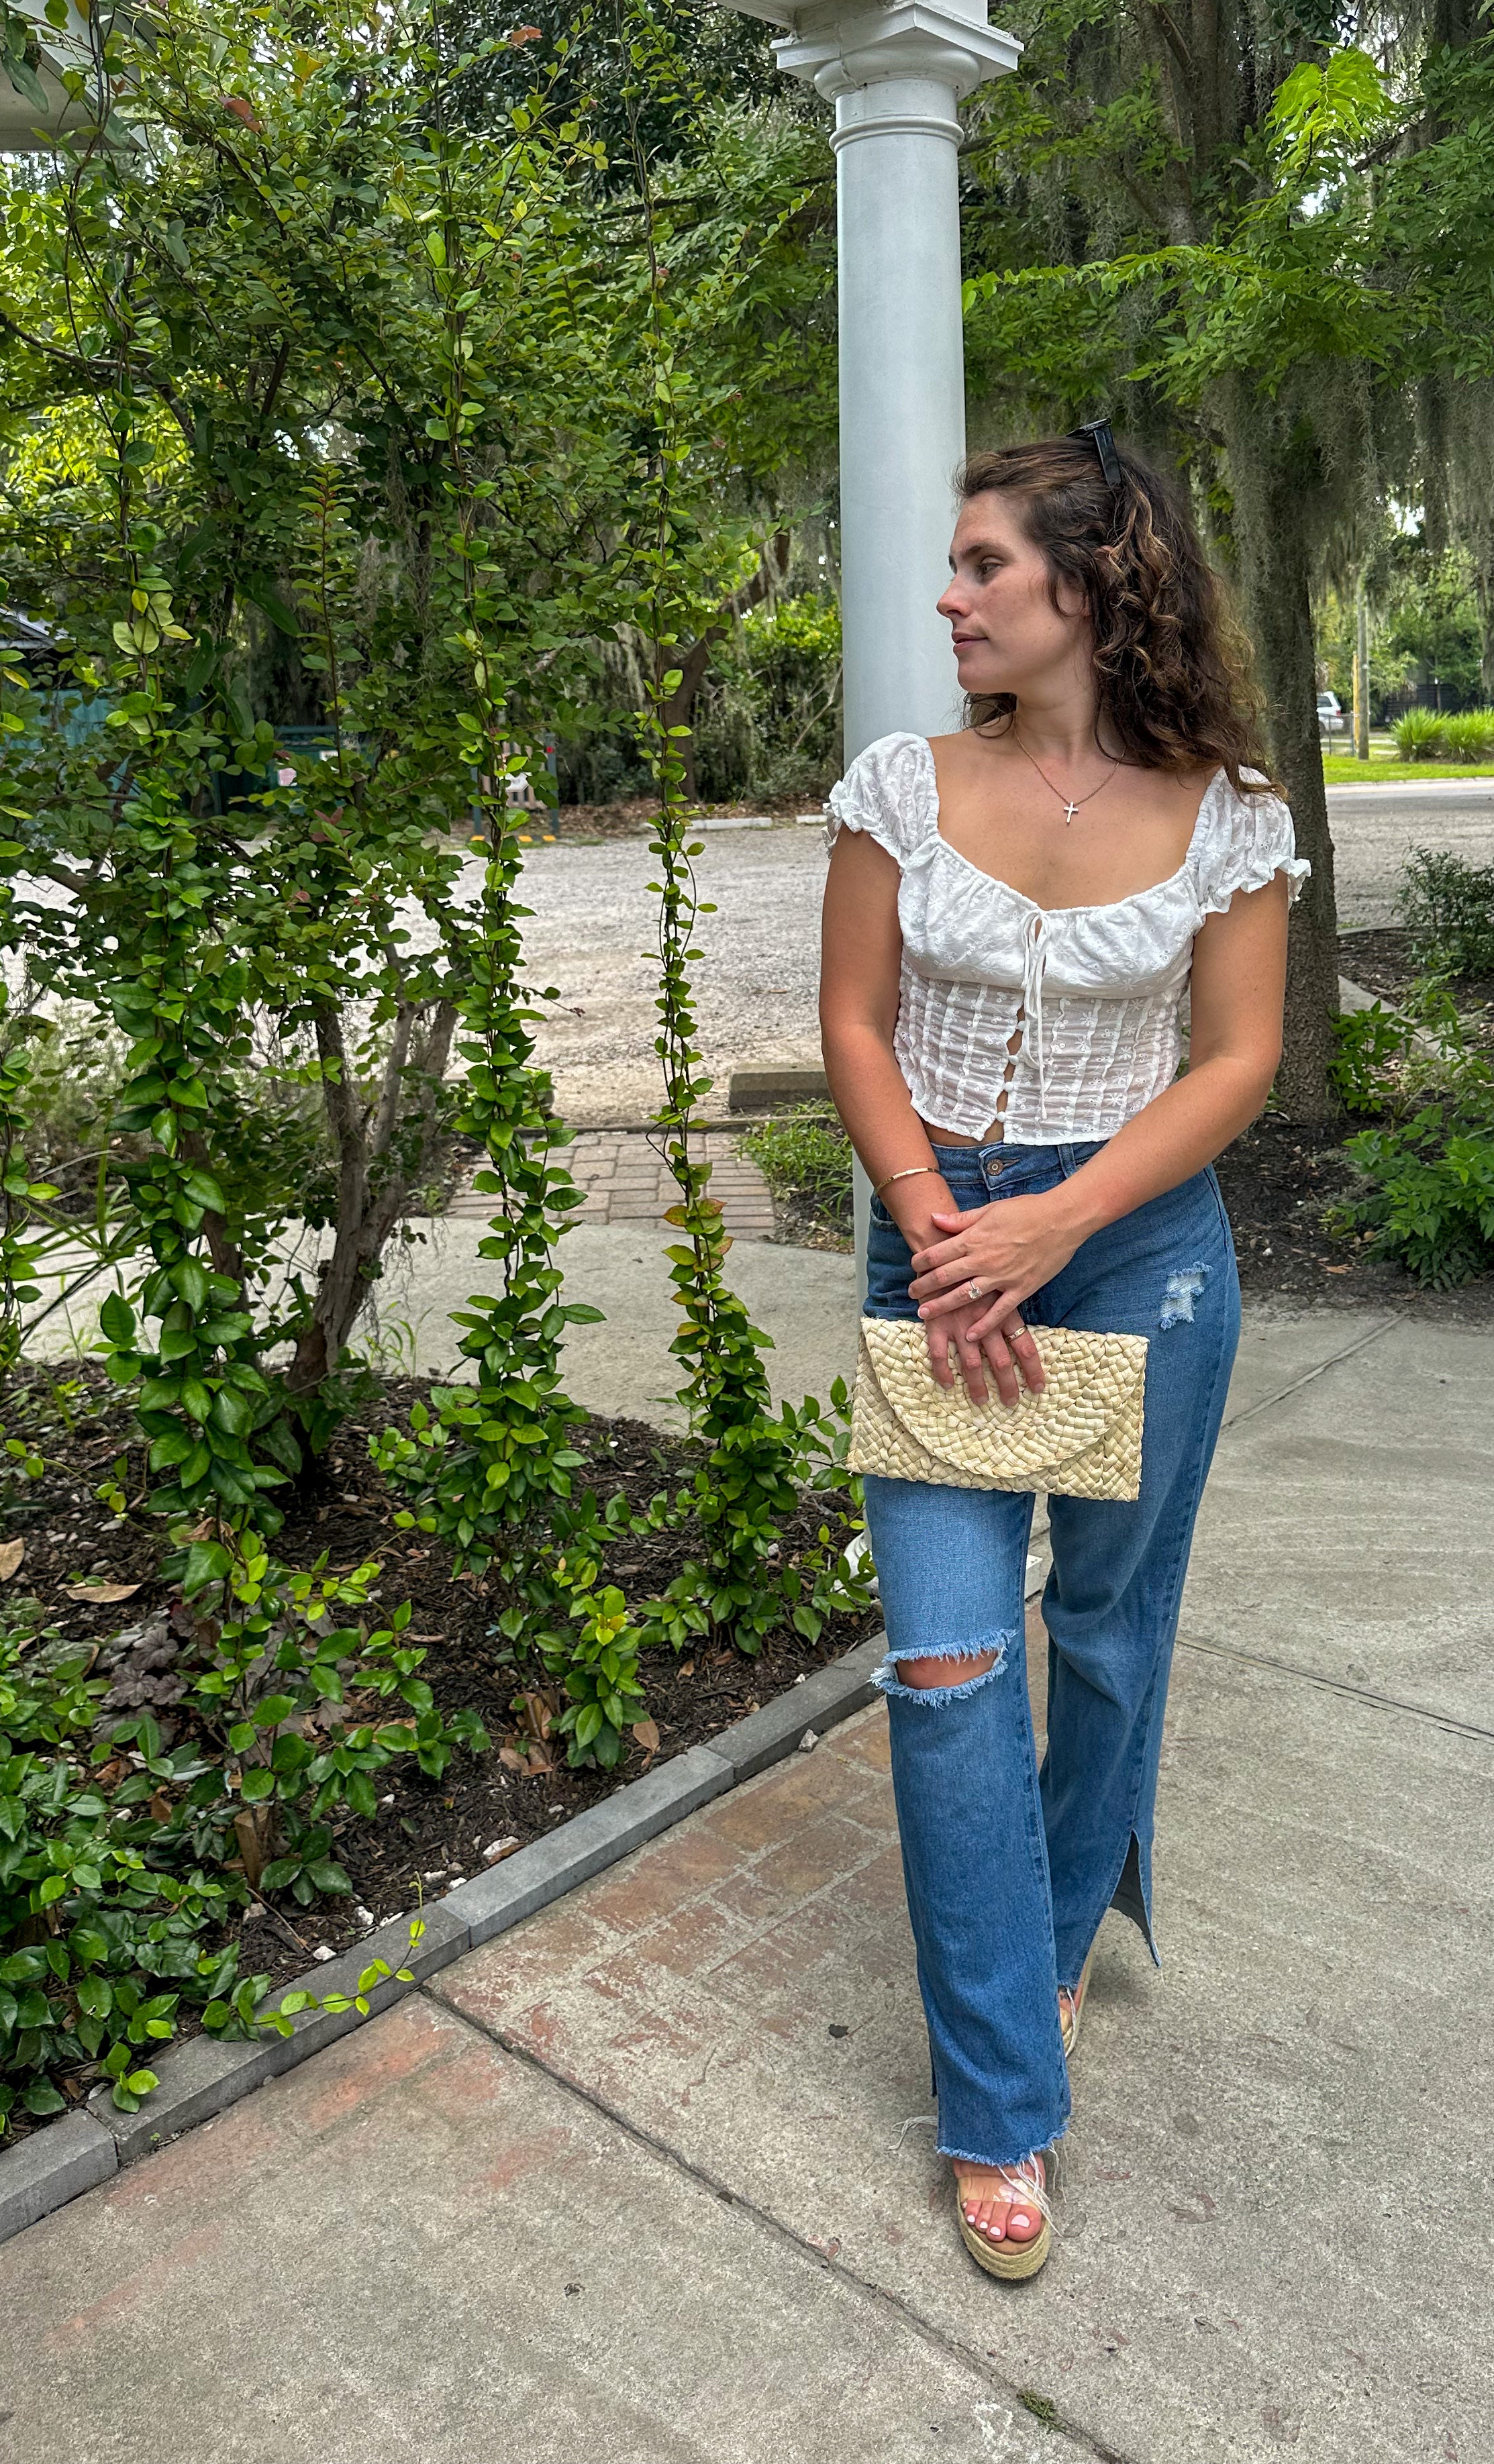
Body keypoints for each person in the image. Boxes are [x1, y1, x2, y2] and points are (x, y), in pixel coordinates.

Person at [818, 427, 1305, 2282]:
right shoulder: (900, 786)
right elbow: (856, 1022)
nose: (947, 598)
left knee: (1105, 1631)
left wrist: (1057, 1225)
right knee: (948, 1669)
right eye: (952, 569)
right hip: (941, 1252)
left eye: (981, 566)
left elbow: (1237, 1063)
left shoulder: (1232, 811)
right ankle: (1002, 2093)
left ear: (1091, 589)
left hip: (1141, 1262)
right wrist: (946, 1223)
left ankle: (1063, 1914)